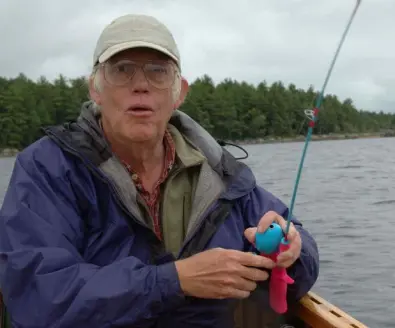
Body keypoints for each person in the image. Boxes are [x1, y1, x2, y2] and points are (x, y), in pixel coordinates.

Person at [0, 14, 319, 328]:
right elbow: (38, 296)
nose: (141, 85)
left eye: (158, 72)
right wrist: (173, 281)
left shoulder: (221, 174)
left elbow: (296, 262)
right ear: (95, 89)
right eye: (122, 70)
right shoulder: (48, 169)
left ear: (178, 93)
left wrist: (291, 249)